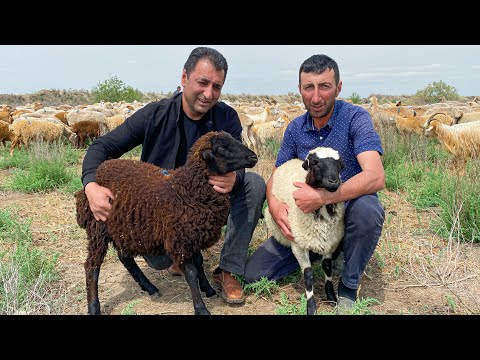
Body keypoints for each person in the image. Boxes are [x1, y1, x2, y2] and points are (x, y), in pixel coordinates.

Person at [81, 46, 266, 305]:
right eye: (202, 83)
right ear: (184, 78)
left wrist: (236, 175)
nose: (208, 93)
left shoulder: (225, 117)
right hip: (161, 210)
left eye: (217, 86)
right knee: (160, 259)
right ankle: (180, 256)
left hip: (204, 202)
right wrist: (91, 185)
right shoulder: (154, 115)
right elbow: (102, 147)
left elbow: (238, 157)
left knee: (254, 184)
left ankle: (228, 269)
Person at [243, 54, 385, 312]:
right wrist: (274, 204)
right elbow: (276, 174)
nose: (316, 97)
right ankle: (315, 254)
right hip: (306, 220)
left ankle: (348, 285)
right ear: (300, 89)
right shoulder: (296, 128)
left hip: (343, 214)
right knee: (255, 273)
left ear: (339, 87)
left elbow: (375, 176)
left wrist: (324, 198)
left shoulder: (355, 119)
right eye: (309, 87)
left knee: (368, 209)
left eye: (325, 86)